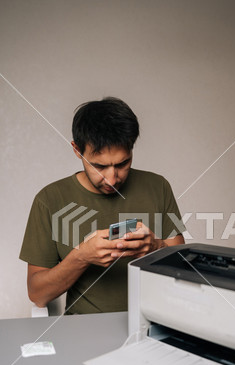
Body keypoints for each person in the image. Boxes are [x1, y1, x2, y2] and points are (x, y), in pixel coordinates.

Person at [19, 97, 185, 314]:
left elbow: (185, 269)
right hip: (83, 330)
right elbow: (38, 295)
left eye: (123, 163)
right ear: (77, 150)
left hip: (153, 323)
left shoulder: (158, 186)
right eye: (99, 166)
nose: (112, 179)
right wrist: (81, 256)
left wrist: (156, 247)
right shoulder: (50, 199)